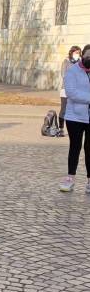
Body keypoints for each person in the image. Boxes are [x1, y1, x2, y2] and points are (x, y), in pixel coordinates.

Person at [59, 43, 90, 193]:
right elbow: (71, 93)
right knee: (75, 147)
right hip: (75, 117)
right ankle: (70, 178)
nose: (89, 58)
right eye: (87, 55)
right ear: (82, 55)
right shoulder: (72, 71)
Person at [59, 46, 82, 135]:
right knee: (64, 109)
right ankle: (61, 128)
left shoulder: (80, 62)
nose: (78, 54)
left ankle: (74, 129)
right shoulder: (66, 61)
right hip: (66, 89)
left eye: (79, 53)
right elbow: (64, 75)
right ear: (71, 53)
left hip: (77, 91)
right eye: (76, 52)